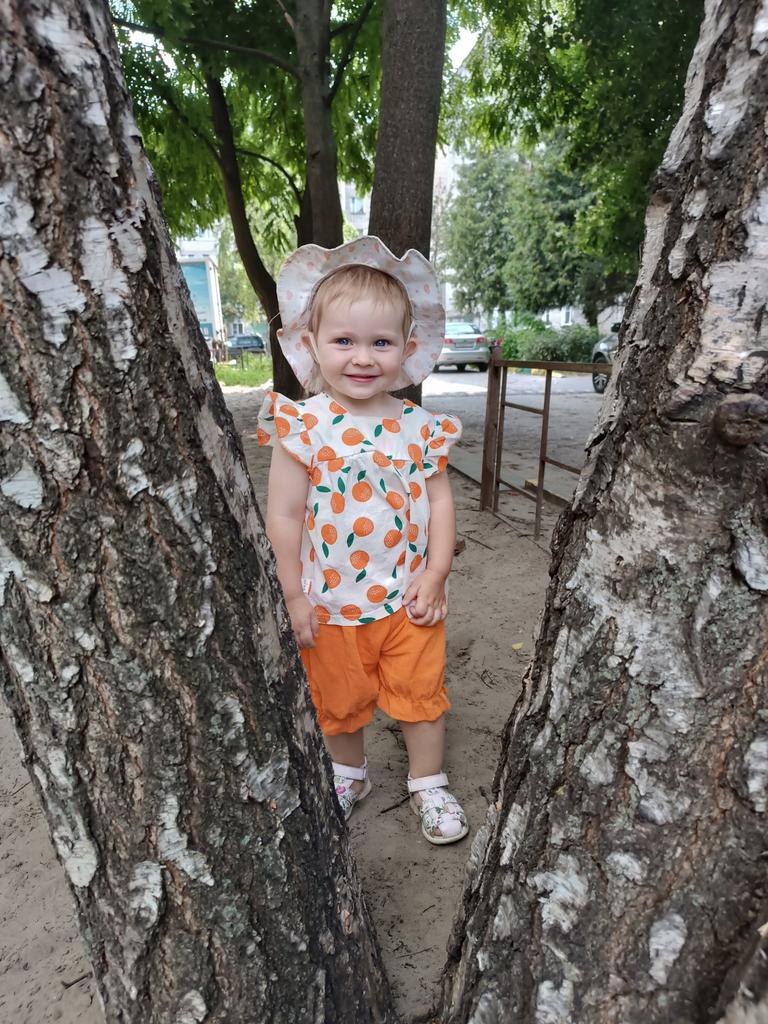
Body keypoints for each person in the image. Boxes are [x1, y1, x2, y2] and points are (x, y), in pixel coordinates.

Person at [258, 236, 468, 845]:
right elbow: (284, 516)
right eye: (344, 341)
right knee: (338, 700)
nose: (362, 357)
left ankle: (428, 782)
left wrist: (436, 574)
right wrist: (293, 595)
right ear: (311, 343)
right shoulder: (304, 426)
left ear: (408, 348)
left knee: (420, 694)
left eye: (380, 342)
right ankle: (349, 774)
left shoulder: (420, 428)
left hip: (409, 597)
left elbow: (439, 502)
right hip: (329, 601)